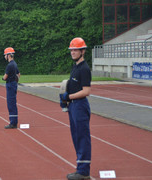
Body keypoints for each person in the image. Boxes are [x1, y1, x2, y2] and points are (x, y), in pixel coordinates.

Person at [60, 37, 92, 180]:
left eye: (75, 50)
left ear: (82, 51)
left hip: (80, 106)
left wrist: (69, 97)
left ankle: (84, 171)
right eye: (71, 50)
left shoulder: (84, 69)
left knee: (82, 137)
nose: (72, 52)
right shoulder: (75, 67)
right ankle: (80, 168)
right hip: (73, 106)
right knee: (76, 137)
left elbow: (86, 91)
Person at [2, 47, 20, 129]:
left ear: (9, 55)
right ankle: (14, 121)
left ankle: (13, 123)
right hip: (14, 84)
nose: (5, 56)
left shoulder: (9, 65)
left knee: (11, 104)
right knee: (13, 103)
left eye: (5, 55)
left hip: (10, 84)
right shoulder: (15, 64)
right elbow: (19, 74)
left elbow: (5, 77)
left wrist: (3, 78)